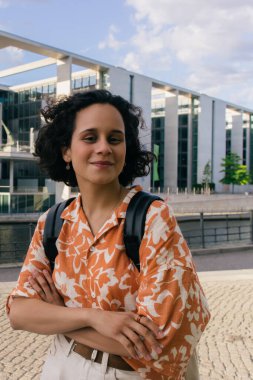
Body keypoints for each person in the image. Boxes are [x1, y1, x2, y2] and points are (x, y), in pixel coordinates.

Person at [7, 89, 210, 380]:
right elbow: (19, 312)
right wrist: (93, 317)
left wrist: (57, 315)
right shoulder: (53, 222)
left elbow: (162, 342)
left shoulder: (152, 218)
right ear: (66, 150)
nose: (104, 147)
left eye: (114, 139)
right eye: (90, 137)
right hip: (62, 365)